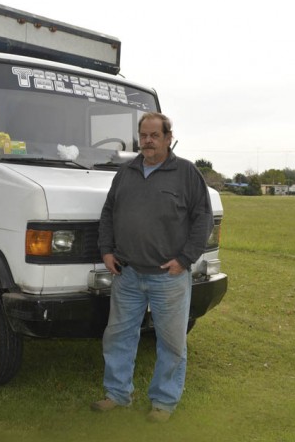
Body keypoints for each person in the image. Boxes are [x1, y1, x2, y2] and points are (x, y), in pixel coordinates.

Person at [91, 112, 213, 422]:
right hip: (128, 274)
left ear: (168, 138)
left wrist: (185, 259)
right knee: (118, 336)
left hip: (168, 278)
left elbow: (203, 219)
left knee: (171, 344)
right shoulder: (127, 172)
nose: (147, 141)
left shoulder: (186, 173)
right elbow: (108, 212)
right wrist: (107, 250)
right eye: (143, 135)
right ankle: (117, 394)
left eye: (154, 135)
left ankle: (163, 403)